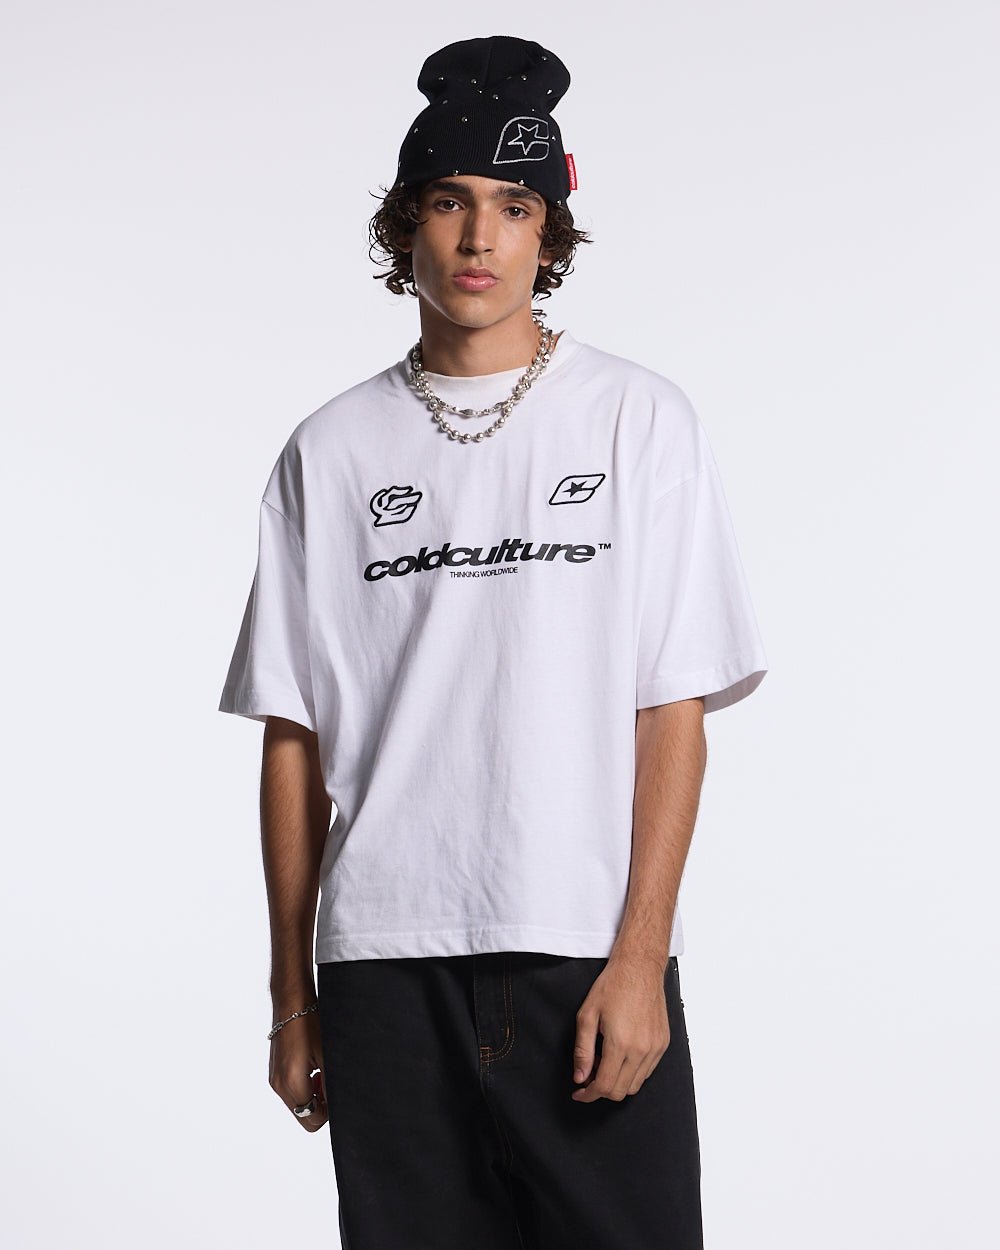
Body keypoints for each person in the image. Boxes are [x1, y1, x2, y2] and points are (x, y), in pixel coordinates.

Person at [218, 33, 768, 1250]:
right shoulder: (330, 450)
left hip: (583, 951)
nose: (479, 238)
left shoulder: (638, 421)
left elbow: (671, 707)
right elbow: (292, 735)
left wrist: (641, 957)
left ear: (548, 233)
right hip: (384, 962)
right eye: (449, 203)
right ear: (404, 225)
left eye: (514, 208)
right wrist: (292, 995)